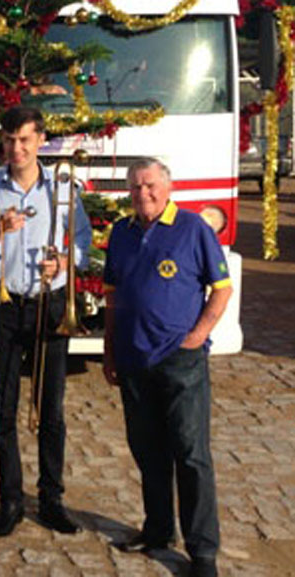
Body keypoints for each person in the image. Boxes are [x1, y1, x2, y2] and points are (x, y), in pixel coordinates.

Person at [103, 158, 231, 577]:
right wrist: (110, 350)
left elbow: (221, 289)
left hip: (180, 362)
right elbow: (113, 296)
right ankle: (158, 530)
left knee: (191, 454)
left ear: (168, 186)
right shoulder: (121, 232)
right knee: (148, 451)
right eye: (136, 187)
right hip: (134, 358)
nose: (144, 194)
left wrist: (198, 335)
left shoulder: (194, 228)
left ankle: (203, 551)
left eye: (151, 185)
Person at [0, 106, 91, 537]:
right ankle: (10, 500)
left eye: (24, 140)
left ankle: (52, 498)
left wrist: (62, 263)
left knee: (50, 410)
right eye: (9, 140)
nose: (16, 148)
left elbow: (82, 244)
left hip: (47, 303)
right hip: (4, 305)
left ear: (40, 140)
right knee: (3, 409)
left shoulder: (63, 188)